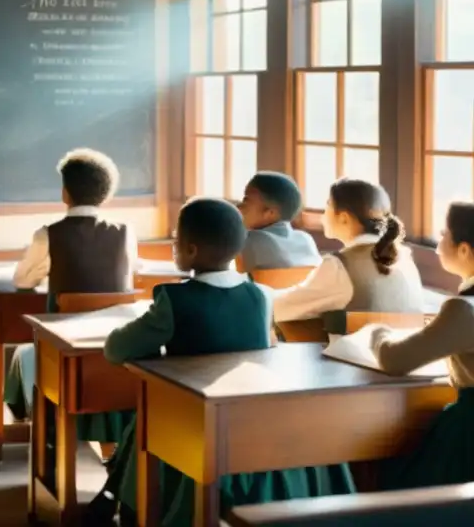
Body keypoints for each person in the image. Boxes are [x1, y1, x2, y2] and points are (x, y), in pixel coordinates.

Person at [88, 197, 354, 526]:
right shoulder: (260, 296)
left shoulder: (174, 299)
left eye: (176, 242)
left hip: (193, 417)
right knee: (143, 421)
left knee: (143, 420)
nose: (174, 248)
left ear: (192, 251)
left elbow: (116, 349)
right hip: (249, 416)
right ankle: (111, 495)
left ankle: (121, 502)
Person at [4, 148, 139, 451]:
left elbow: (22, 280)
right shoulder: (125, 233)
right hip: (114, 348)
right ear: (106, 195)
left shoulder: (48, 235)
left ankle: (41, 428)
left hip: (66, 350)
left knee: (24, 353)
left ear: (65, 193)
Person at [368, 201, 474, 488]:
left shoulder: (464, 309)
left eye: (443, 235)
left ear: (464, 249)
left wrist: (377, 333)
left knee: (394, 477)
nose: (438, 245)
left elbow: (395, 359)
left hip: (468, 433)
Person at [272, 178, 424, 325]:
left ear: (344, 218)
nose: (323, 216)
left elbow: (282, 308)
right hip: (404, 350)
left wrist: (257, 294)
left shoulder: (339, 266)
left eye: (327, 207)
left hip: (355, 351)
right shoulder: (404, 258)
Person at [238, 171, 320, 274]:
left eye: (246, 200)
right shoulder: (306, 239)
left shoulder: (251, 240)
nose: (239, 207)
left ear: (270, 213)